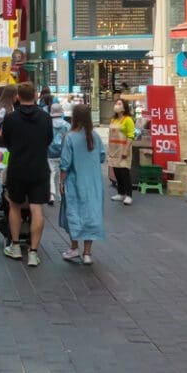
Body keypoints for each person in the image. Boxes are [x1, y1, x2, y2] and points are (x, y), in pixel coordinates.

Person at [0, 83, 53, 267]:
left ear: (18, 97)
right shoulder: (45, 118)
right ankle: (33, 251)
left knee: (14, 205)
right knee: (37, 209)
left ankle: (15, 246)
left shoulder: (11, 118)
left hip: (17, 168)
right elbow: (49, 140)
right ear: (36, 95)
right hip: (39, 168)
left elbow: (6, 141)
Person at [58, 104, 106, 264]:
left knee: (73, 213)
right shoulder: (95, 136)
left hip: (74, 182)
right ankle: (87, 253)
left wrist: (61, 181)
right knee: (91, 216)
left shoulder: (70, 137)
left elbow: (65, 163)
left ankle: (74, 248)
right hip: (93, 183)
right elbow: (101, 157)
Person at [108, 98, 136, 205]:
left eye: (119, 103)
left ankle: (128, 195)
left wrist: (125, 150)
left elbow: (130, 136)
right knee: (117, 172)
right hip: (113, 150)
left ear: (124, 107)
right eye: (116, 103)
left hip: (123, 150)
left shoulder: (128, 120)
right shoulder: (113, 120)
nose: (116, 105)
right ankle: (120, 193)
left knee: (124, 173)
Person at [46, 103, 70, 206]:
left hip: (50, 153)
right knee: (62, 173)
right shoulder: (67, 125)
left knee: (51, 173)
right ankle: (61, 194)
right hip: (63, 152)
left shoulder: (47, 124)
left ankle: (51, 194)